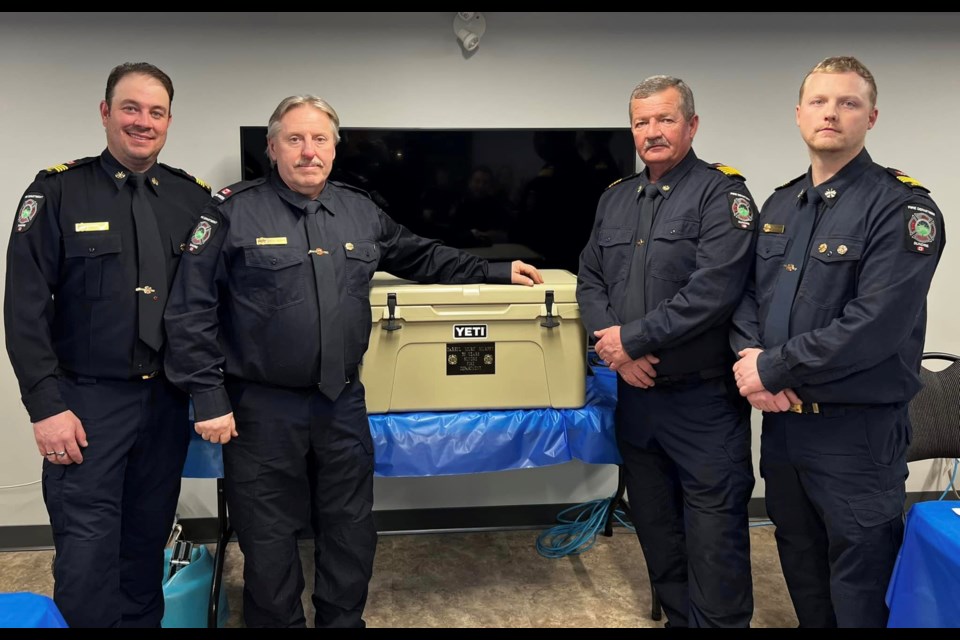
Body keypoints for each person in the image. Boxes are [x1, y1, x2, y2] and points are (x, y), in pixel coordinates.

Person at [163, 95, 543, 628]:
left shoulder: (359, 210)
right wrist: (207, 395)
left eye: (320, 140)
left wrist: (495, 272)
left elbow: (421, 256)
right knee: (268, 538)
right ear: (272, 148)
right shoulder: (230, 212)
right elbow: (189, 309)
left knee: (349, 528)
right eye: (294, 139)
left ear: (335, 150)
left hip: (340, 403)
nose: (308, 151)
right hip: (259, 409)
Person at [731, 56, 946, 628]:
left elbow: (874, 326)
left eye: (848, 102)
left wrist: (772, 369)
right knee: (800, 563)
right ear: (799, 114)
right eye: (820, 101)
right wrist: (752, 365)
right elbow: (747, 299)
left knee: (860, 580)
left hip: (857, 435)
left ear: (871, 117)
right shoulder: (780, 204)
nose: (832, 113)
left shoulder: (903, 207)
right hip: (784, 427)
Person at [3, 62, 211, 627]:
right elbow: (23, 311)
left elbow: (208, 304)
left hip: (164, 403)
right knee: (87, 554)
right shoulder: (57, 191)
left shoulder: (192, 200)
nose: (143, 122)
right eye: (131, 108)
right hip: (84, 405)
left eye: (156, 111)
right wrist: (46, 407)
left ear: (169, 120)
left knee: (146, 547)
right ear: (105, 113)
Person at [577, 76, 758, 628]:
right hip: (637, 398)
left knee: (714, 536)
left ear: (692, 125)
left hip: (703, 401)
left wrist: (632, 340)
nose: (651, 132)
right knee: (656, 528)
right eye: (641, 122)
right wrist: (617, 353)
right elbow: (590, 280)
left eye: (664, 120)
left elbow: (712, 292)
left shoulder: (722, 195)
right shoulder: (615, 199)